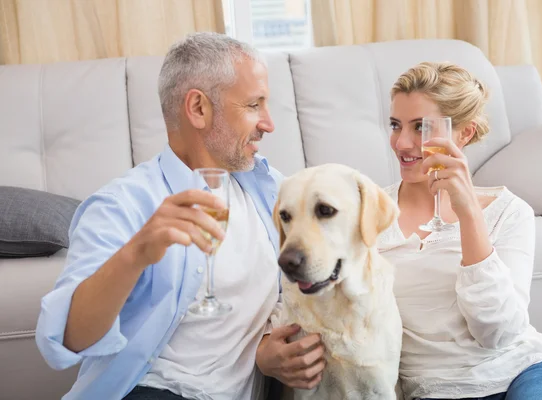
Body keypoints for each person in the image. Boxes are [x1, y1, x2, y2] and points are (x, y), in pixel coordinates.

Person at [35, 32, 326, 400]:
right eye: (254, 105)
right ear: (199, 108)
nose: (268, 123)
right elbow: (66, 340)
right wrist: (136, 253)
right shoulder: (122, 205)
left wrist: (265, 350)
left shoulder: (274, 191)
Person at [378, 61, 542, 400]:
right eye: (396, 125)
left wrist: (469, 216)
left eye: (420, 127)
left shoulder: (508, 213)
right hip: (435, 387)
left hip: (526, 373)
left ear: (464, 133)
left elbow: (499, 333)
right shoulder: (369, 213)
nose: (402, 143)